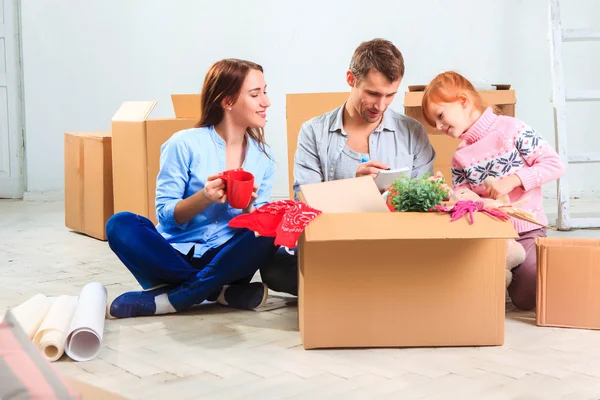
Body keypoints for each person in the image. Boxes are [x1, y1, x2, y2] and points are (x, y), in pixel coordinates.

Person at [260, 38, 436, 296]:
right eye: (373, 93)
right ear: (351, 79)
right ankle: (372, 286)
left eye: (390, 95)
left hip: (394, 244)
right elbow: (303, 198)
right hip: (334, 243)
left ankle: (346, 287)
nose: (381, 105)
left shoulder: (412, 133)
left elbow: (425, 204)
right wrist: (352, 188)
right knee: (274, 267)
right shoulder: (314, 131)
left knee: (433, 258)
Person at [105, 58, 278, 318]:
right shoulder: (183, 144)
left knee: (271, 228)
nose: (266, 102)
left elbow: (258, 224)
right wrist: (204, 197)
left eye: (264, 92)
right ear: (227, 101)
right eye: (255, 94)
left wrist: (250, 208)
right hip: (174, 256)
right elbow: (165, 214)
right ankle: (216, 291)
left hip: (226, 257)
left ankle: (176, 297)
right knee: (120, 224)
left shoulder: (264, 158)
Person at [421, 70, 564, 310]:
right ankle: (501, 278)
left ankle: (527, 274)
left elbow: (554, 164)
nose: (438, 126)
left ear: (463, 101)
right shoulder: (459, 158)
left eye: (440, 115)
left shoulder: (511, 129)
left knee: (526, 297)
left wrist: (513, 180)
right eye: (434, 122)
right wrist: (449, 194)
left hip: (526, 231)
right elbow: (466, 203)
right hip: (490, 236)